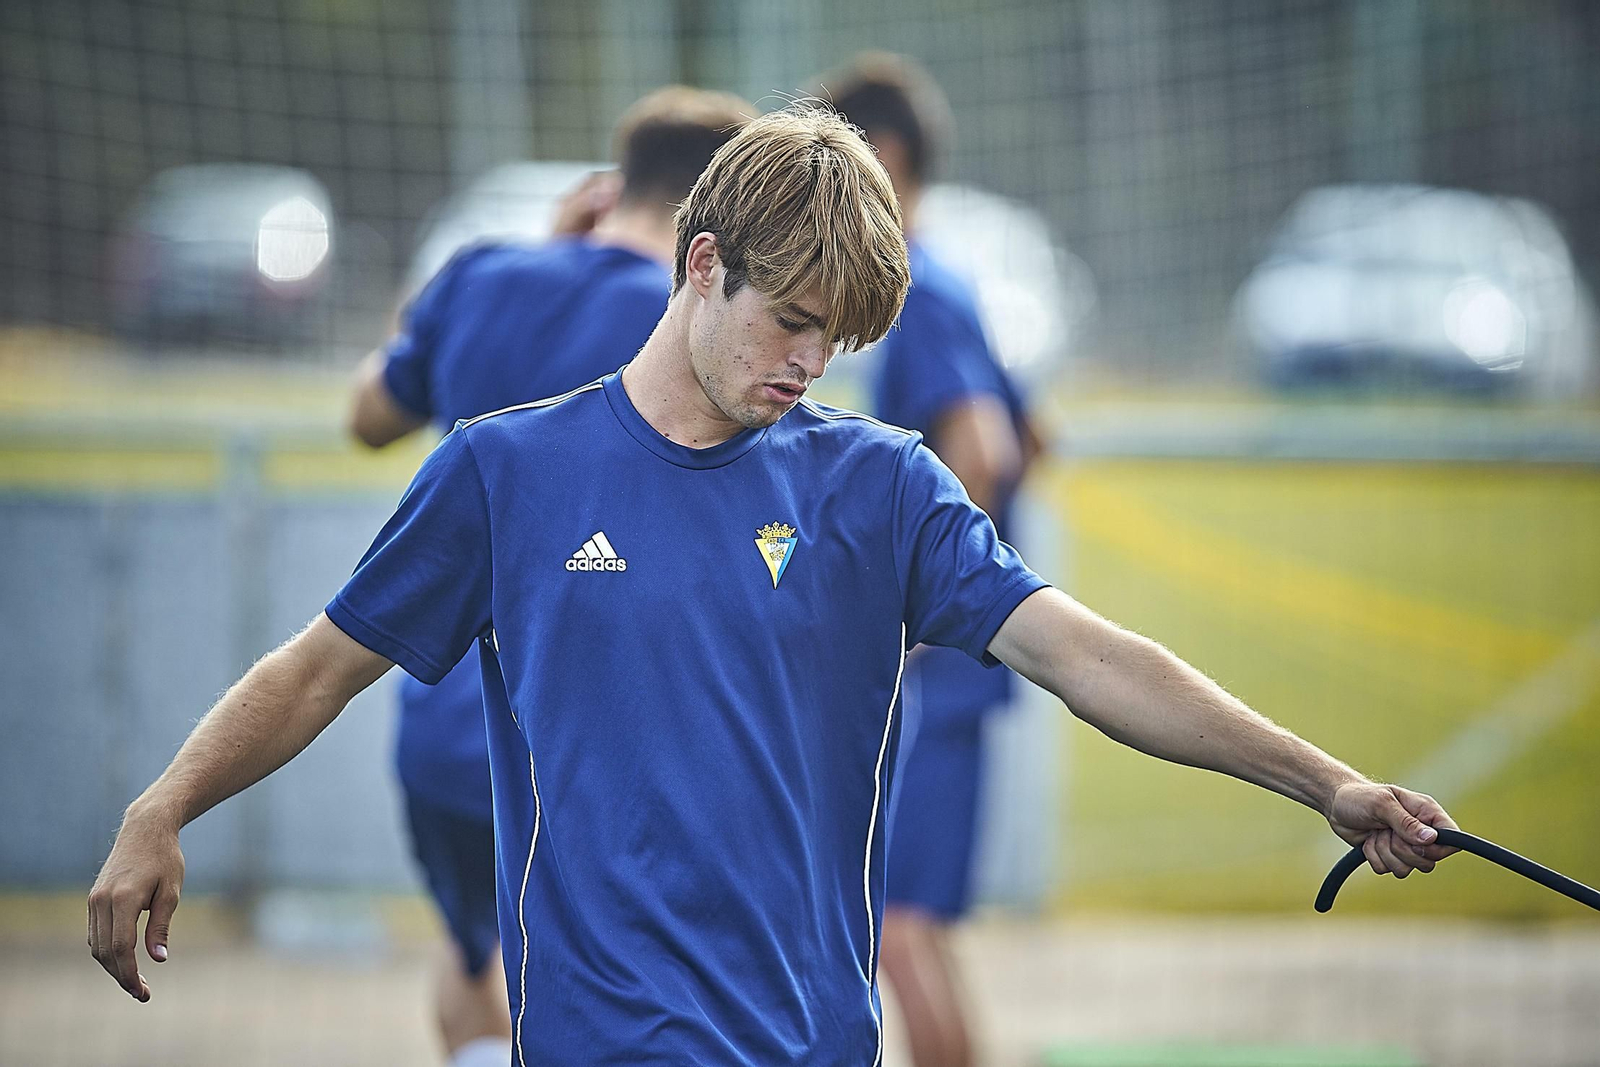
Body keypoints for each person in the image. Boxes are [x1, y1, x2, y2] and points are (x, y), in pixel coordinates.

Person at [89, 106, 1458, 1066]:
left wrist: (1326, 780)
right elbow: (315, 667)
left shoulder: (883, 489)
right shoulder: (507, 472)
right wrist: (163, 805)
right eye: (792, 319)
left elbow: (1089, 653)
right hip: (597, 1045)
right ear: (701, 264)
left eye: (840, 335)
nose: (813, 359)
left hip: (811, 1044)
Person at [344, 85, 750, 1067]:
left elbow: (366, 413)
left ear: (616, 185)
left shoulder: (482, 274)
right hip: (603, 738)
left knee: (475, 960)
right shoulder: (694, 327)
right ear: (726, 224)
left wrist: (533, 252)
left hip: (446, 720)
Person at [827, 52, 1040, 1067]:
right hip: (957, 666)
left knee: (900, 929)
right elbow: (1032, 435)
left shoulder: (924, 285)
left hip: (943, 669)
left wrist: (918, 608)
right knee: (912, 932)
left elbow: (988, 455)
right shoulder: (941, 277)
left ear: (886, 155)